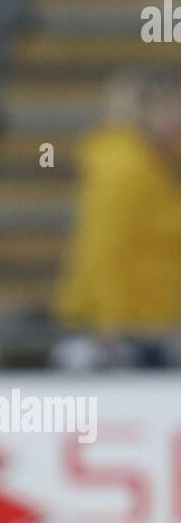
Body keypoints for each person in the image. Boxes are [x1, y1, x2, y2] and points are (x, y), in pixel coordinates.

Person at [53, 73, 181, 369]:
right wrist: (109, 325)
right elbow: (104, 248)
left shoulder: (150, 166)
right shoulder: (127, 168)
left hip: (144, 323)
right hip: (123, 332)